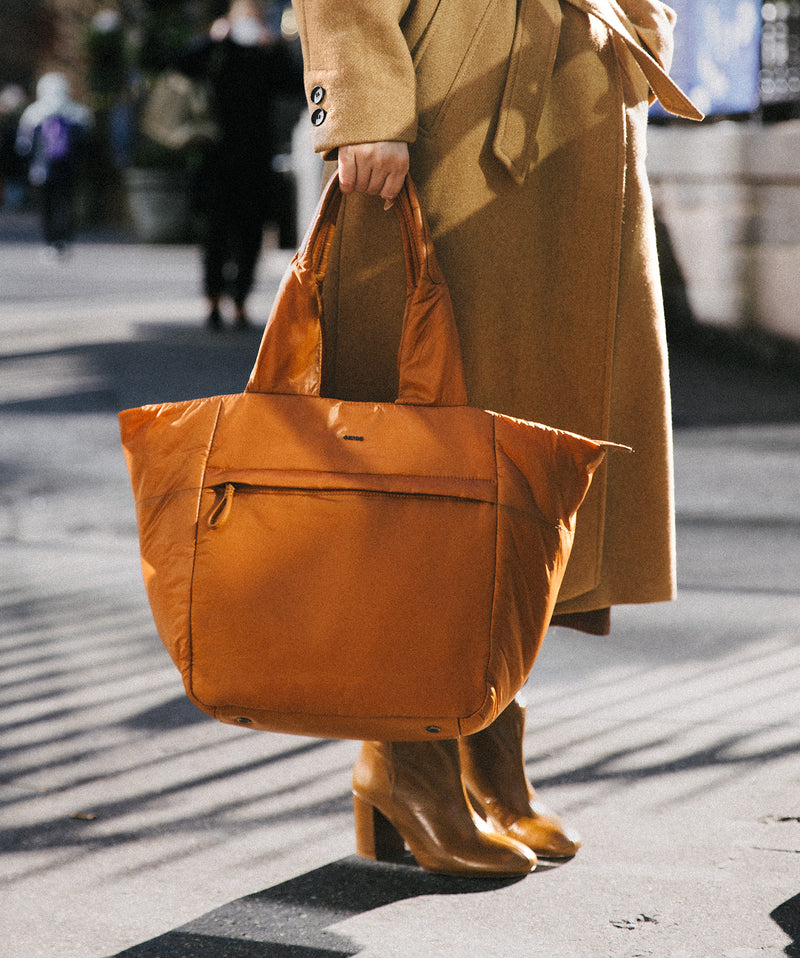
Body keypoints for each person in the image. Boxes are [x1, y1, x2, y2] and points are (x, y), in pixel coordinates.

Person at [291, 0, 702, 876]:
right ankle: (408, 757)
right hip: (452, 96)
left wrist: (640, 19)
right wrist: (362, 102)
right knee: (436, 442)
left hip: (578, 97)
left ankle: (487, 740)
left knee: (540, 448)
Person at [179, 0, 303, 330]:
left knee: (250, 234)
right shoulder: (219, 51)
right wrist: (212, 39)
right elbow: (182, 67)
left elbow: (294, 85)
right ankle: (213, 298)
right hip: (217, 156)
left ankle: (240, 301)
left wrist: (273, 47)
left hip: (256, 158)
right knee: (215, 233)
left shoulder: (265, 53)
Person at [15, 73, 92, 254]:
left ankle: (51, 241)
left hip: (44, 170)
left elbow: (23, 147)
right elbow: (87, 144)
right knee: (66, 204)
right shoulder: (78, 113)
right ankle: (64, 241)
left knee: (48, 205)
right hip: (69, 169)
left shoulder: (34, 113)